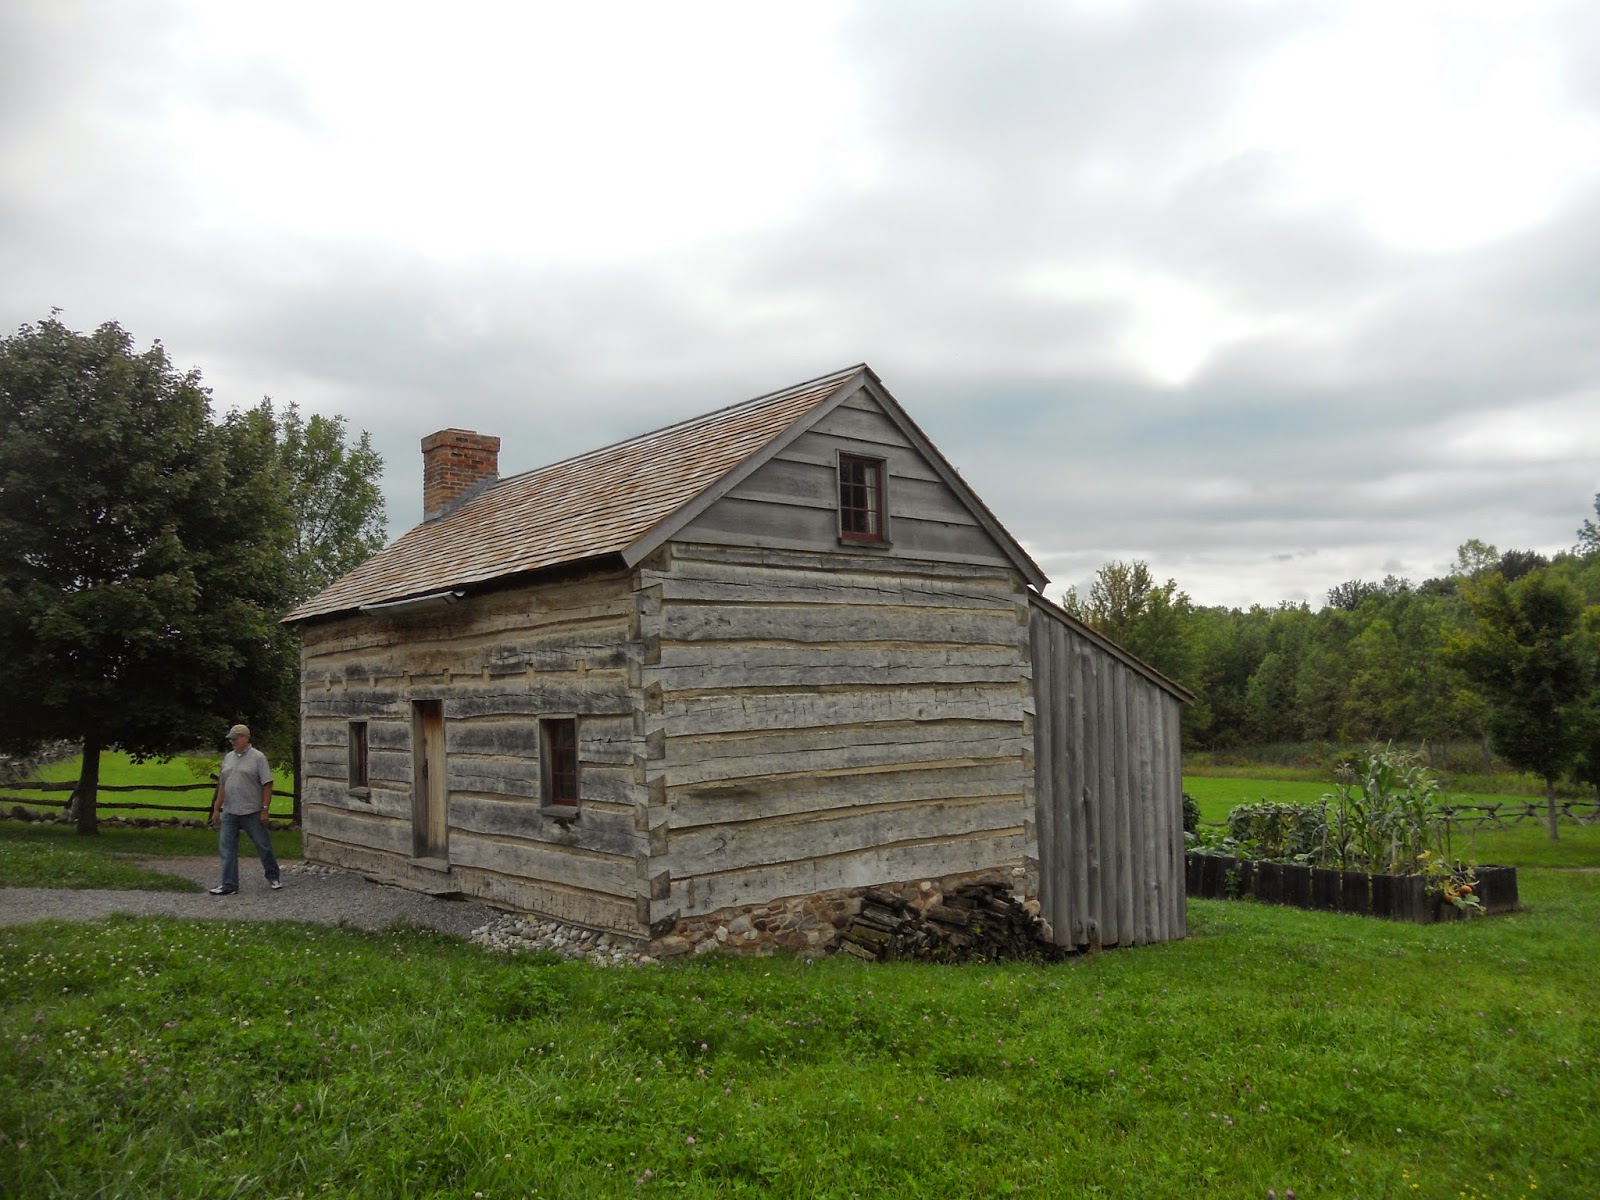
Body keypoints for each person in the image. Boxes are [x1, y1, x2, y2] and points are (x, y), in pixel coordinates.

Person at [209, 723, 281, 895]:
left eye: (236, 739)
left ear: (245, 738)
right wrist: (217, 808)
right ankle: (229, 884)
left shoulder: (258, 758)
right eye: (231, 739)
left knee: (262, 845)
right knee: (227, 849)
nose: (233, 742)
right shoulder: (228, 758)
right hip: (230, 810)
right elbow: (222, 784)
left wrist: (265, 809)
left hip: (252, 810)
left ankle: (273, 876)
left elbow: (267, 783)